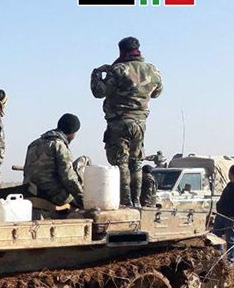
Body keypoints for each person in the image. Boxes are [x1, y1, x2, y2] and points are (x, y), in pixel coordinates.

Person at [91, 36, 163, 207]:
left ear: (121, 51)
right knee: (136, 162)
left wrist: (96, 74)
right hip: (140, 122)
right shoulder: (152, 70)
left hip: (119, 121)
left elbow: (99, 92)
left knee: (121, 162)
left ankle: (126, 201)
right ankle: (136, 202)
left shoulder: (119, 69)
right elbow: (157, 92)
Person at [23, 113, 84, 208]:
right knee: (84, 161)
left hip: (30, 191)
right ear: (72, 132)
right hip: (53, 195)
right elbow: (68, 177)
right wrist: (82, 198)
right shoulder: (59, 145)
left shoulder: (33, 144)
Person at [214, 164, 234, 259]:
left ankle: (231, 260)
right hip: (221, 216)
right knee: (215, 237)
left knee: (230, 240)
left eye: (229, 173)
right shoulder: (229, 185)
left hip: (230, 218)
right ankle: (218, 257)